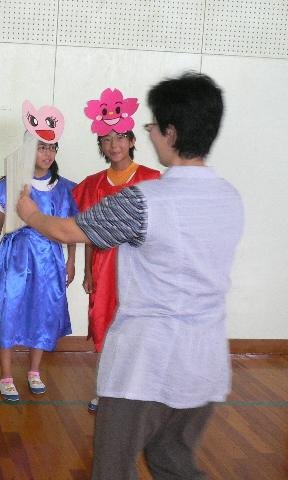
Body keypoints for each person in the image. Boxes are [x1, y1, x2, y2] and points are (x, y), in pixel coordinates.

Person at [17, 72, 243, 479]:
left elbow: (71, 230)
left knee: (113, 468)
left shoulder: (144, 199)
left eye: (153, 126)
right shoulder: (229, 197)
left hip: (146, 364)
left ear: (170, 133)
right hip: (204, 363)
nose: (150, 132)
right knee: (173, 461)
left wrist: (29, 213)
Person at [0, 100, 78, 402]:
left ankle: (34, 370)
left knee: (43, 312)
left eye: (52, 148)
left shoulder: (65, 189)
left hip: (50, 260)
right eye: (41, 147)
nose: (47, 154)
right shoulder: (12, 184)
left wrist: (72, 260)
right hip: (16, 258)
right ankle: (6, 375)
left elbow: (71, 228)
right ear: (28, 150)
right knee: (8, 310)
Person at [74, 88, 160, 413]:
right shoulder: (92, 184)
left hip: (140, 266)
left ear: (132, 140)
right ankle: (106, 389)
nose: (114, 145)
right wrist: (86, 272)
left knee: (139, 325)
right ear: (100, 145)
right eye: (107, 140)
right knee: (105, 323)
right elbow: (85, 232)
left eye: (120, 137)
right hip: (104, 265)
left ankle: (138, 389)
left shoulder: (151, 179)